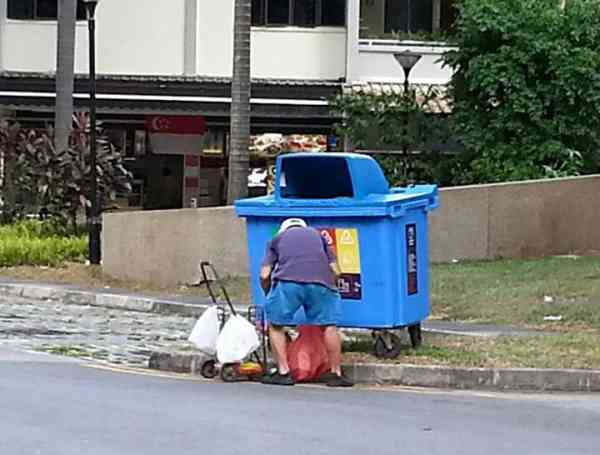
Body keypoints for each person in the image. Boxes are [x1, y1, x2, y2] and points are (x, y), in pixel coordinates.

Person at [259, 218, 353, 387]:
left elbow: (264, 274)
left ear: (284, 230)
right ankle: (336, 374)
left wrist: (268, 293)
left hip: (288, 283)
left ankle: (283, 372)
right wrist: (330, 288)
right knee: (329, 326)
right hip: (321, 283)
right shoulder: (319, 236)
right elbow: (336, 271)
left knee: (276, 325)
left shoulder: (276, 240)